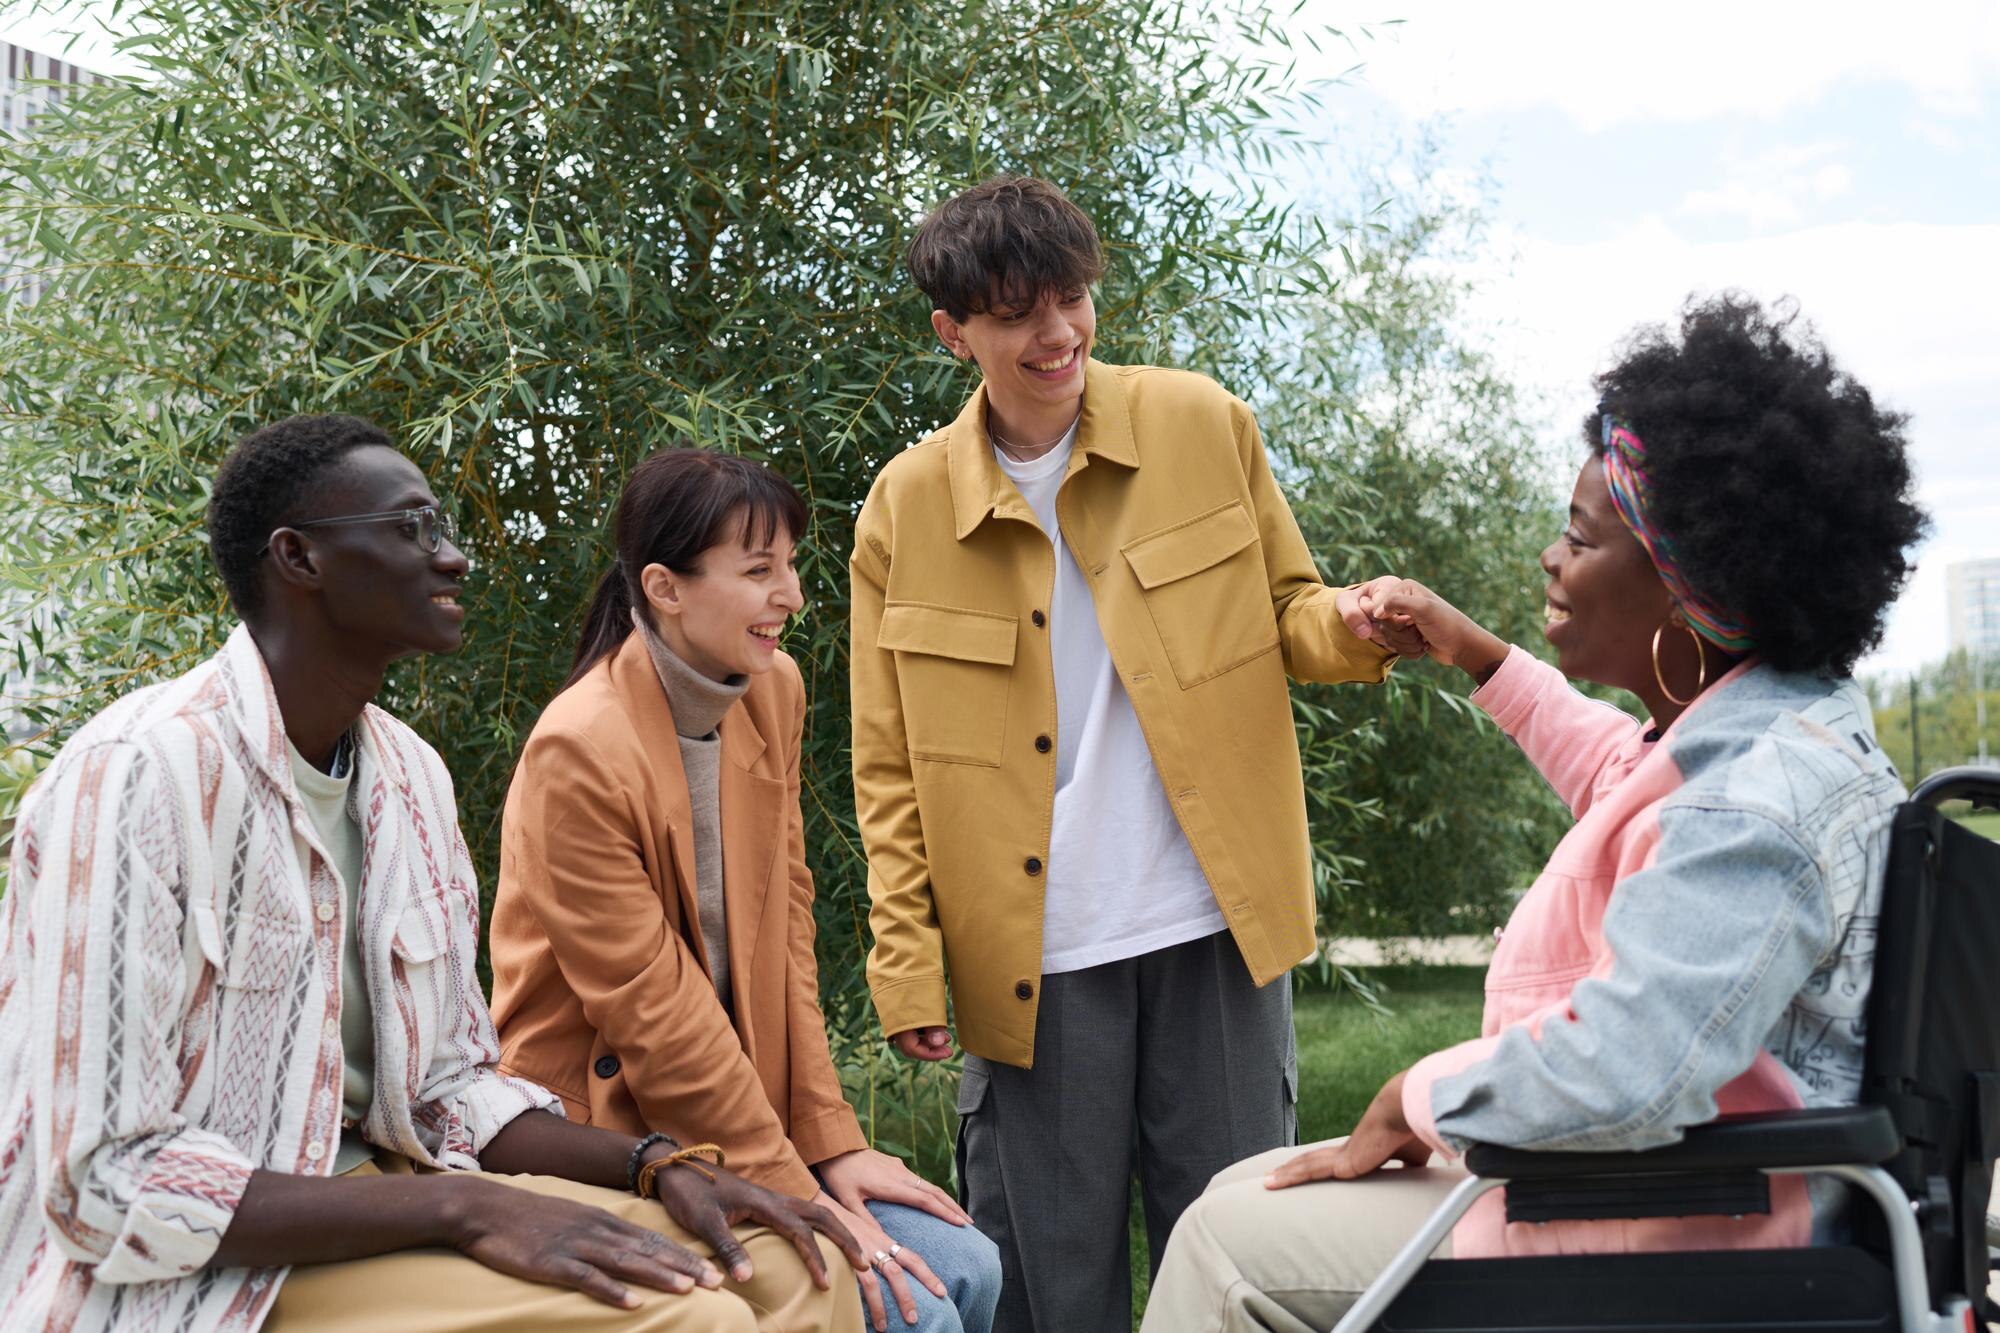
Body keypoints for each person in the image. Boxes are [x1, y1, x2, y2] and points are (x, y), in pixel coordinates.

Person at [1141, 294, 1930, 1332]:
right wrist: (1477, 654)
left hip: (1675, 1232)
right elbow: (1616, 771)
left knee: (1220, 1235)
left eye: (1578, 537)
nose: (1551, 558)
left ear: (1685, 586)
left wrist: (1415, 1093)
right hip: (1666, 1192)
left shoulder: (1750, 804)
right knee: (1242, 1183)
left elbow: (1625, 1069)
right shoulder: (1775, 729)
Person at [0, 415, 867, 1332]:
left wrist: (653, 1163)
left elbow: (452, 1086)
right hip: (210, 1270)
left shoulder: (410, 778)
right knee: (696, 1319)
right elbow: (104, 1179)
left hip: (400, 1193)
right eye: (411, 529)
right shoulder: (137, 778)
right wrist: (467, 1205)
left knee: (798, 1271)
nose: (453, 557)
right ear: (299, 558)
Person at [848, 176, 1421, 1332]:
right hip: (1032, 960)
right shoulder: (903, 510)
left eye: (1070, 297)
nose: (1055, 333)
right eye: (1015, 314)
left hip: (1213, 927)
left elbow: (1291, 611)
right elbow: (889, 765)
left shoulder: (1202, 424)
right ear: (953, 331)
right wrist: (905, 962)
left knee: (1241, 1266)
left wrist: (1357, 626)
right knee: (1048, 1293)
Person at [490, 448, 1003, 1333]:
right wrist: (797, 1192)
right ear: (665, 587)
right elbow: (656, 1017)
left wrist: (830, 1141)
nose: (792, 595)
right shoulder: (578, 751)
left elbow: (785, 934)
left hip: (740, 1112)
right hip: (612, 1139)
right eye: (760, 570)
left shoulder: (772, 691)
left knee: (970, 1263)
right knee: (915, 1310)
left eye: (791, 565)